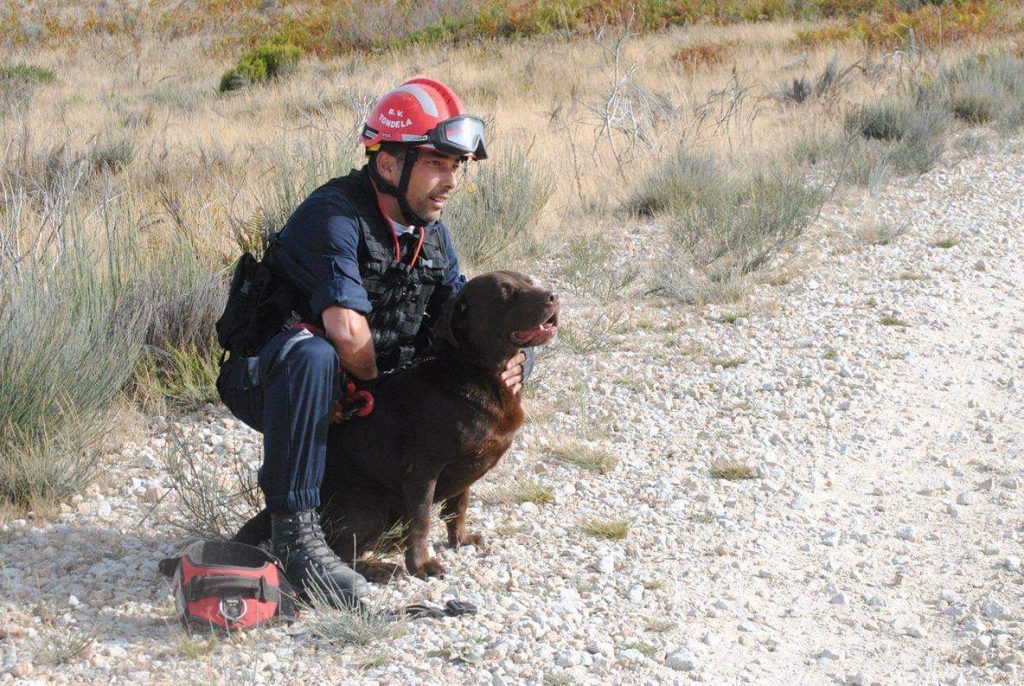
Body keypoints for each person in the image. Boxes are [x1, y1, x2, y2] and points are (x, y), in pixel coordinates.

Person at [216, 77, 530, 606]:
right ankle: (296, 536)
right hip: (271, 378)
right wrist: (376, 393)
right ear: (387, 164)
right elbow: (346, 329)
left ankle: (357, 517)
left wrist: (518, 358)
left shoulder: (432, 235)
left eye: (457, 167)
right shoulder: (332, 215)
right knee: (312, 354)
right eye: (437, 163)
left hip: (357, 388)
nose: (450, 181)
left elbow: (467, 324)